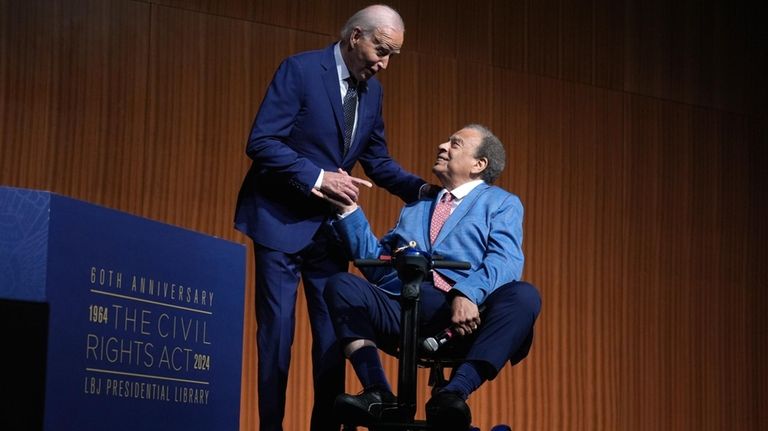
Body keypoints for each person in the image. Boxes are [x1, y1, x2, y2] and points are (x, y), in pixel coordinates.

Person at [234, 4, 430, 431]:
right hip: (280, 222)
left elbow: (377, 161)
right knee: (277, 338)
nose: (384, 64)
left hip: (328, 234)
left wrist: (424, 191)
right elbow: (262, 142)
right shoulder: (300, 71)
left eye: (392, 55)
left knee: (332, 340)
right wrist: (320, 177)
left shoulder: (372, 92)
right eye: (381, 50)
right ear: (355, 36)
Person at [323, 125, 542, 430]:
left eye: (455, 144)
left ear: (479, 164)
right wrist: (348, 209)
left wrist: (467, 293)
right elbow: (378, 266)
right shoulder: (416, 207)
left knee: (524, 295)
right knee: (341, 285)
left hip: (466, 317)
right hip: (406, 307)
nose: (441, 146)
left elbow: (505, 261)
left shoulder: (502, 203)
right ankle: (379, 395)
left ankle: (453, 395)